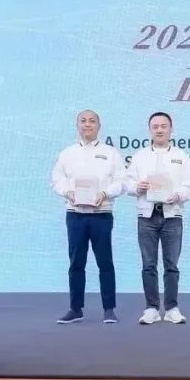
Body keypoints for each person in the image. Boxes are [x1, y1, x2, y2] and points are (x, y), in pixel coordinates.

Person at [50, 109, 126, 324]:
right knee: (76, 263)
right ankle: (75, 309)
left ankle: (109, 309)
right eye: (83, 121)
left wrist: (106, 193)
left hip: (101, 215)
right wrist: (68, 192)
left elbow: (121, 181)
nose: (87, 124)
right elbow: (56, 180)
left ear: (99, 126)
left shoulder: (111, 153)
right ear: (77, 126)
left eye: (92, 121)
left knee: (105, 262)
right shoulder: (67, 154)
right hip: (75, 215)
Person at [124, 111, 190, 325]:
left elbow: (189, 187)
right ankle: (151, 308)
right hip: (147, 216)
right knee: (148, 265)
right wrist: (138, 187)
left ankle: (172, 308)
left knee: (171, 265)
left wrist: (178, 195)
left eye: (164, 126)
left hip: (172, 215)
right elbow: (127, 184)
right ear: (150, 130)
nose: (159, 130)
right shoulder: (139, 156)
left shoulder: (181, 156)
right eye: (155, 126)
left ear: (171, 129)